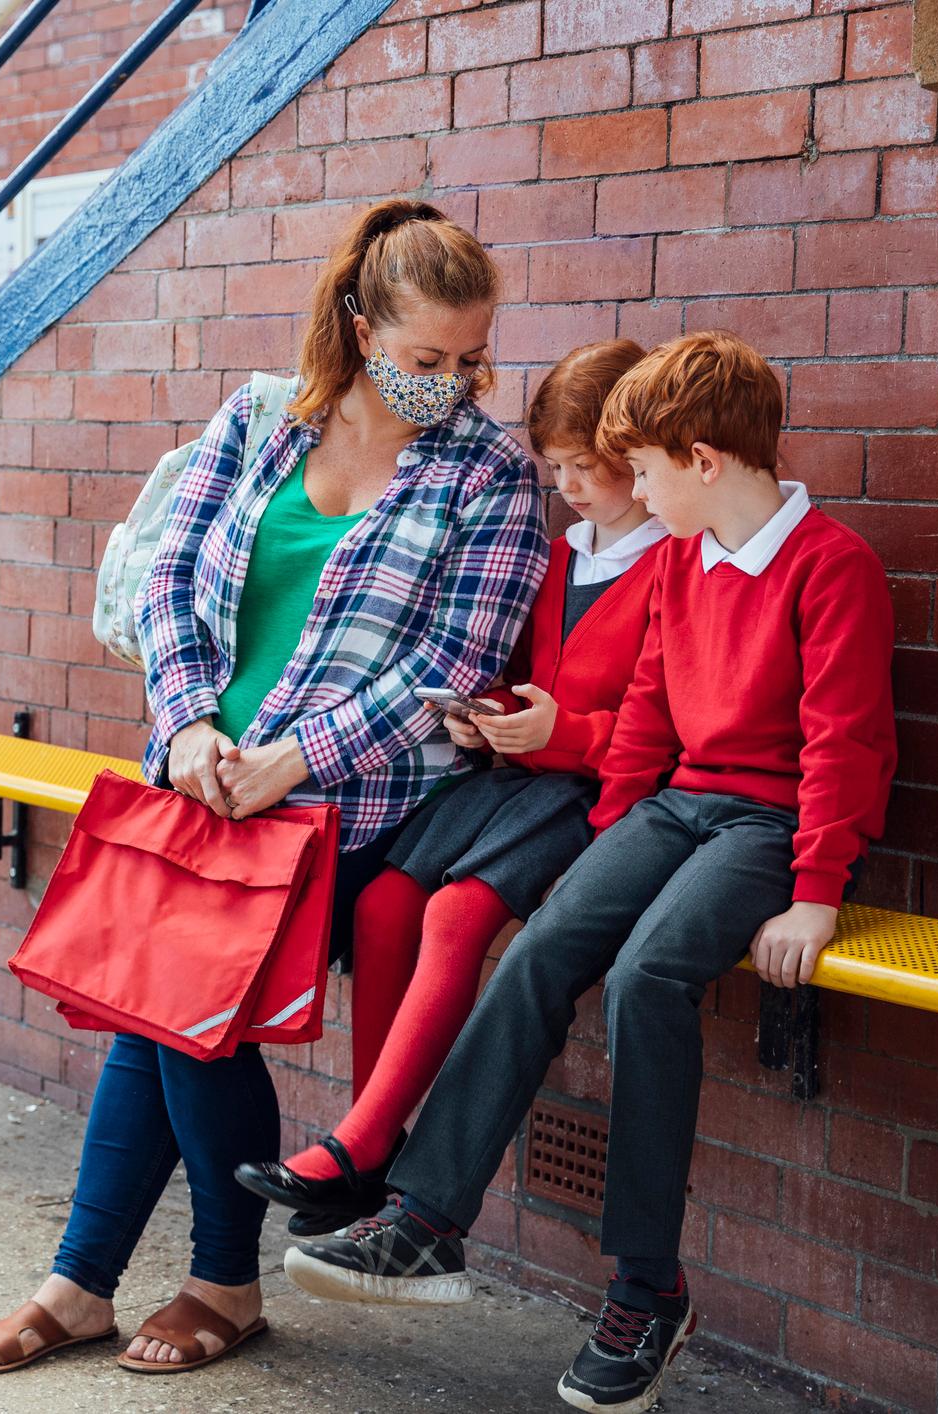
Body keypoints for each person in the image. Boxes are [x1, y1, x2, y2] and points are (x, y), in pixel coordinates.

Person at [0, 198, 547, 1376]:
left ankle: (197, 1281)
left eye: (471, 357)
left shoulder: (494, 476)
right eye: (427, 357)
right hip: (200, 776)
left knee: (186, 1015)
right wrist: (186, 727)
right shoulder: (261, 421)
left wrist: (291, 761)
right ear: (361, 325)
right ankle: (98, 1284)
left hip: (351, 809)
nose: (454, 380)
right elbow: (171, 575)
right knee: (159, 1013)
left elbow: (457, 663)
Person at [284, 330, 897, 1414]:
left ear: (703, 460)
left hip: (769, 824)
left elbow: (845, 742)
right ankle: (426, 1219)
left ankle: (646, 1287)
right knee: (548, 947)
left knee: (643, 979)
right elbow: (652, 713)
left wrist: (815, 889)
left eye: (648, 471)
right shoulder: (684, 562)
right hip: (671, 807)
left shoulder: (830, 566)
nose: (635, 495)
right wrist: (610, 839)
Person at [235, 339, 667, 1231]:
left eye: (588, 467)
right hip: (516, 774)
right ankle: (367, 1147)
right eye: (556, 468)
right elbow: (521, 666)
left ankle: (360, 1142)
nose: (571, 486)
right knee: (386, 902)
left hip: (598, 791)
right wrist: (487, 713)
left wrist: (565, 734)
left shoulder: (673, 564)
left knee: (454, 910)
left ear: (638, 456)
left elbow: (671, 728)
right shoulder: (564, 553)